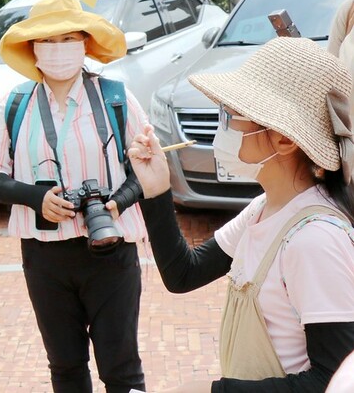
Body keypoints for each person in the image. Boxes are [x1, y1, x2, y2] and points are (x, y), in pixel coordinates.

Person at [125, 37, 354, 392]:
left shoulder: (314, 239)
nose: (223, 126)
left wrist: (214, 391)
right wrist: (157, 189)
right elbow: (183, 273)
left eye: (231, 116)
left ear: (284, 140)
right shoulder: (263, 209)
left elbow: (333, 381)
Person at [0, 0, 148, 393]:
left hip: (111, 250)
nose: (58, 49)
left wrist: (115, 202)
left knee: (121, 368)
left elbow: (147, 171)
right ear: (32, 48)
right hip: (44, 257)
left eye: (68, 38)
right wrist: (37, 199)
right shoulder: (15, 104)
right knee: (66, 368)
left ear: (85, 43)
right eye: (47, 40)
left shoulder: (115, 98)